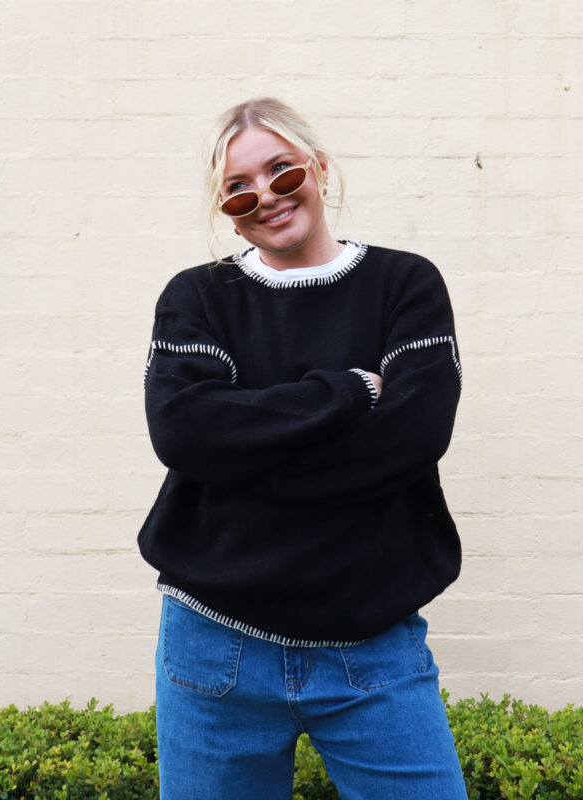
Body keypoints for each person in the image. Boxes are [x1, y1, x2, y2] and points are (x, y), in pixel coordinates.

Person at [139, 97, 468, 800]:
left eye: (283, 173)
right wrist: (349, 392)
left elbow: (415, 437)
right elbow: (181, 431)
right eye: (239, 189)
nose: (266, 197)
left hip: (372, 646)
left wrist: (246, 454)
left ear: (318, 169)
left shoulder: (404, 286)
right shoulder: (198, 298)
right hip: (214, 644)